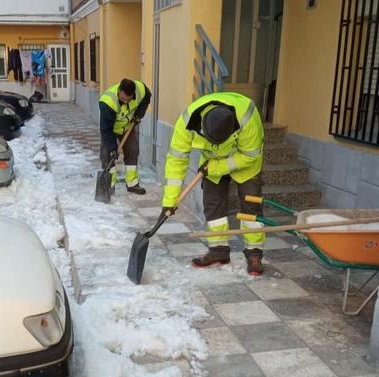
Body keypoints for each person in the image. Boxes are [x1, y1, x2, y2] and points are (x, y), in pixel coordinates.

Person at [161, 92, 266, 275]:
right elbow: (176, 161)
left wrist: (218, 166)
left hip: (245, 163)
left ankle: (254, 254)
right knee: (213, 204)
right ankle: (218, 250)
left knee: (251, 206)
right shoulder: (186, 123)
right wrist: (170, 200)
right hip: (212, 163)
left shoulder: (248, 118)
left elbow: (251, 155)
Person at [99, 79, 152, 194]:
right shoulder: (107, 102)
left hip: (127, 126)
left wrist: (139, 115)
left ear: (133, 94)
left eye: (128, 100)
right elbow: (106, 129)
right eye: (122, 99)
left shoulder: (140, 90)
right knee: (107, 154)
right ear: (119, 91)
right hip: (111, 128)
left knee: (133, 150)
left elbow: (147, 97)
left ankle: (132, 184)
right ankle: (109, 186)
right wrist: (113, 149)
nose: (125, 102)